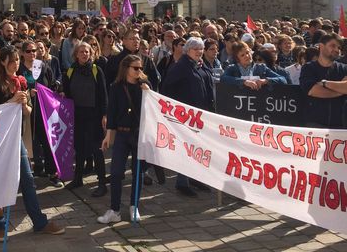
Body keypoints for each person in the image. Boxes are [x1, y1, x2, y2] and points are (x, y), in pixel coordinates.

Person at [0, 46, 65, 241]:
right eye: (12, 61)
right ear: (3, 62)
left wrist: (25, 103)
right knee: (0, 182)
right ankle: (0, 224)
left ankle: (39, 222)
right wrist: (12, 101)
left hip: (16, 137)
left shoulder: (20, 82)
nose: (16, 64)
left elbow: (27, 113)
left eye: (17, 61)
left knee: (27, 180)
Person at [98, 55, 149, 223]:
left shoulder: (145, 87)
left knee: (137, 172)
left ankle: (134, 206)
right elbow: (111, 113)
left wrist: (148, 94)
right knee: (116, 172)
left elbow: (152, 111)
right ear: (126, 68)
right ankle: (115, 210)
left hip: (138, 134)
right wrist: (108, 136)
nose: (139, 71)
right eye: (135, 68)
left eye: (141, 68)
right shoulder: (116, 87)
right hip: (121, 134)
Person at [161, 38, 215, 197]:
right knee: (186, 149)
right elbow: (167, 89)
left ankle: (194, 177)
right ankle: (182, 182)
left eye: (201, 48)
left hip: (201, 114)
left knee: (196, 147)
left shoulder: (200, 64)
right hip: (186, 116)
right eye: (195, 48)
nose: (199, 51)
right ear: (187, 50)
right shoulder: (181, 67)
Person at [63, 42, 108, 196]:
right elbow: (67, 94)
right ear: (76, 54)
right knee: (80, 148)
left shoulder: (97, 70)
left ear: (91, 54)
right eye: (81, 52)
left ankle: (102, 183)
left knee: (97, 150)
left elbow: (103, 94)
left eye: (87, 52)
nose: (84, 54)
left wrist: (104, 115)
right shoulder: (70, 71)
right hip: (78, 115)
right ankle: (78, 178)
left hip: (94, 116)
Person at [17, 40, 62, 187]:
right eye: (29, 51)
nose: (32, 54)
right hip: (26, 112)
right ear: (23, 53)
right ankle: (28, 176)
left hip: (43, 111)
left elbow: (52, 84)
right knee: (28, 144)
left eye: (34, 50)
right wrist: (28, 93)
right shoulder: (19, 69)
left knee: (48, 142)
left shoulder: (42, 66)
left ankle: (52, 173)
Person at [300, 33, 347, 128]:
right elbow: (313, 91)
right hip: (314, 125)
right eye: (333, 46)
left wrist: (325, 83)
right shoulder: (308, 68)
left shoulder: (344, 68)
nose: (337, 50)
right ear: (321, 46)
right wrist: (341, 90)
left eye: (339, 47)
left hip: (341, 125)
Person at [221, 41, 287, 89]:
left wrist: (266, 80)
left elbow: (283, 79)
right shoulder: (232, 68)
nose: (247, 56)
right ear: (237, 59)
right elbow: (223, 78)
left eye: (247, 52)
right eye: (242, 55)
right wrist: (244, 82)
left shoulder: (261, 67)